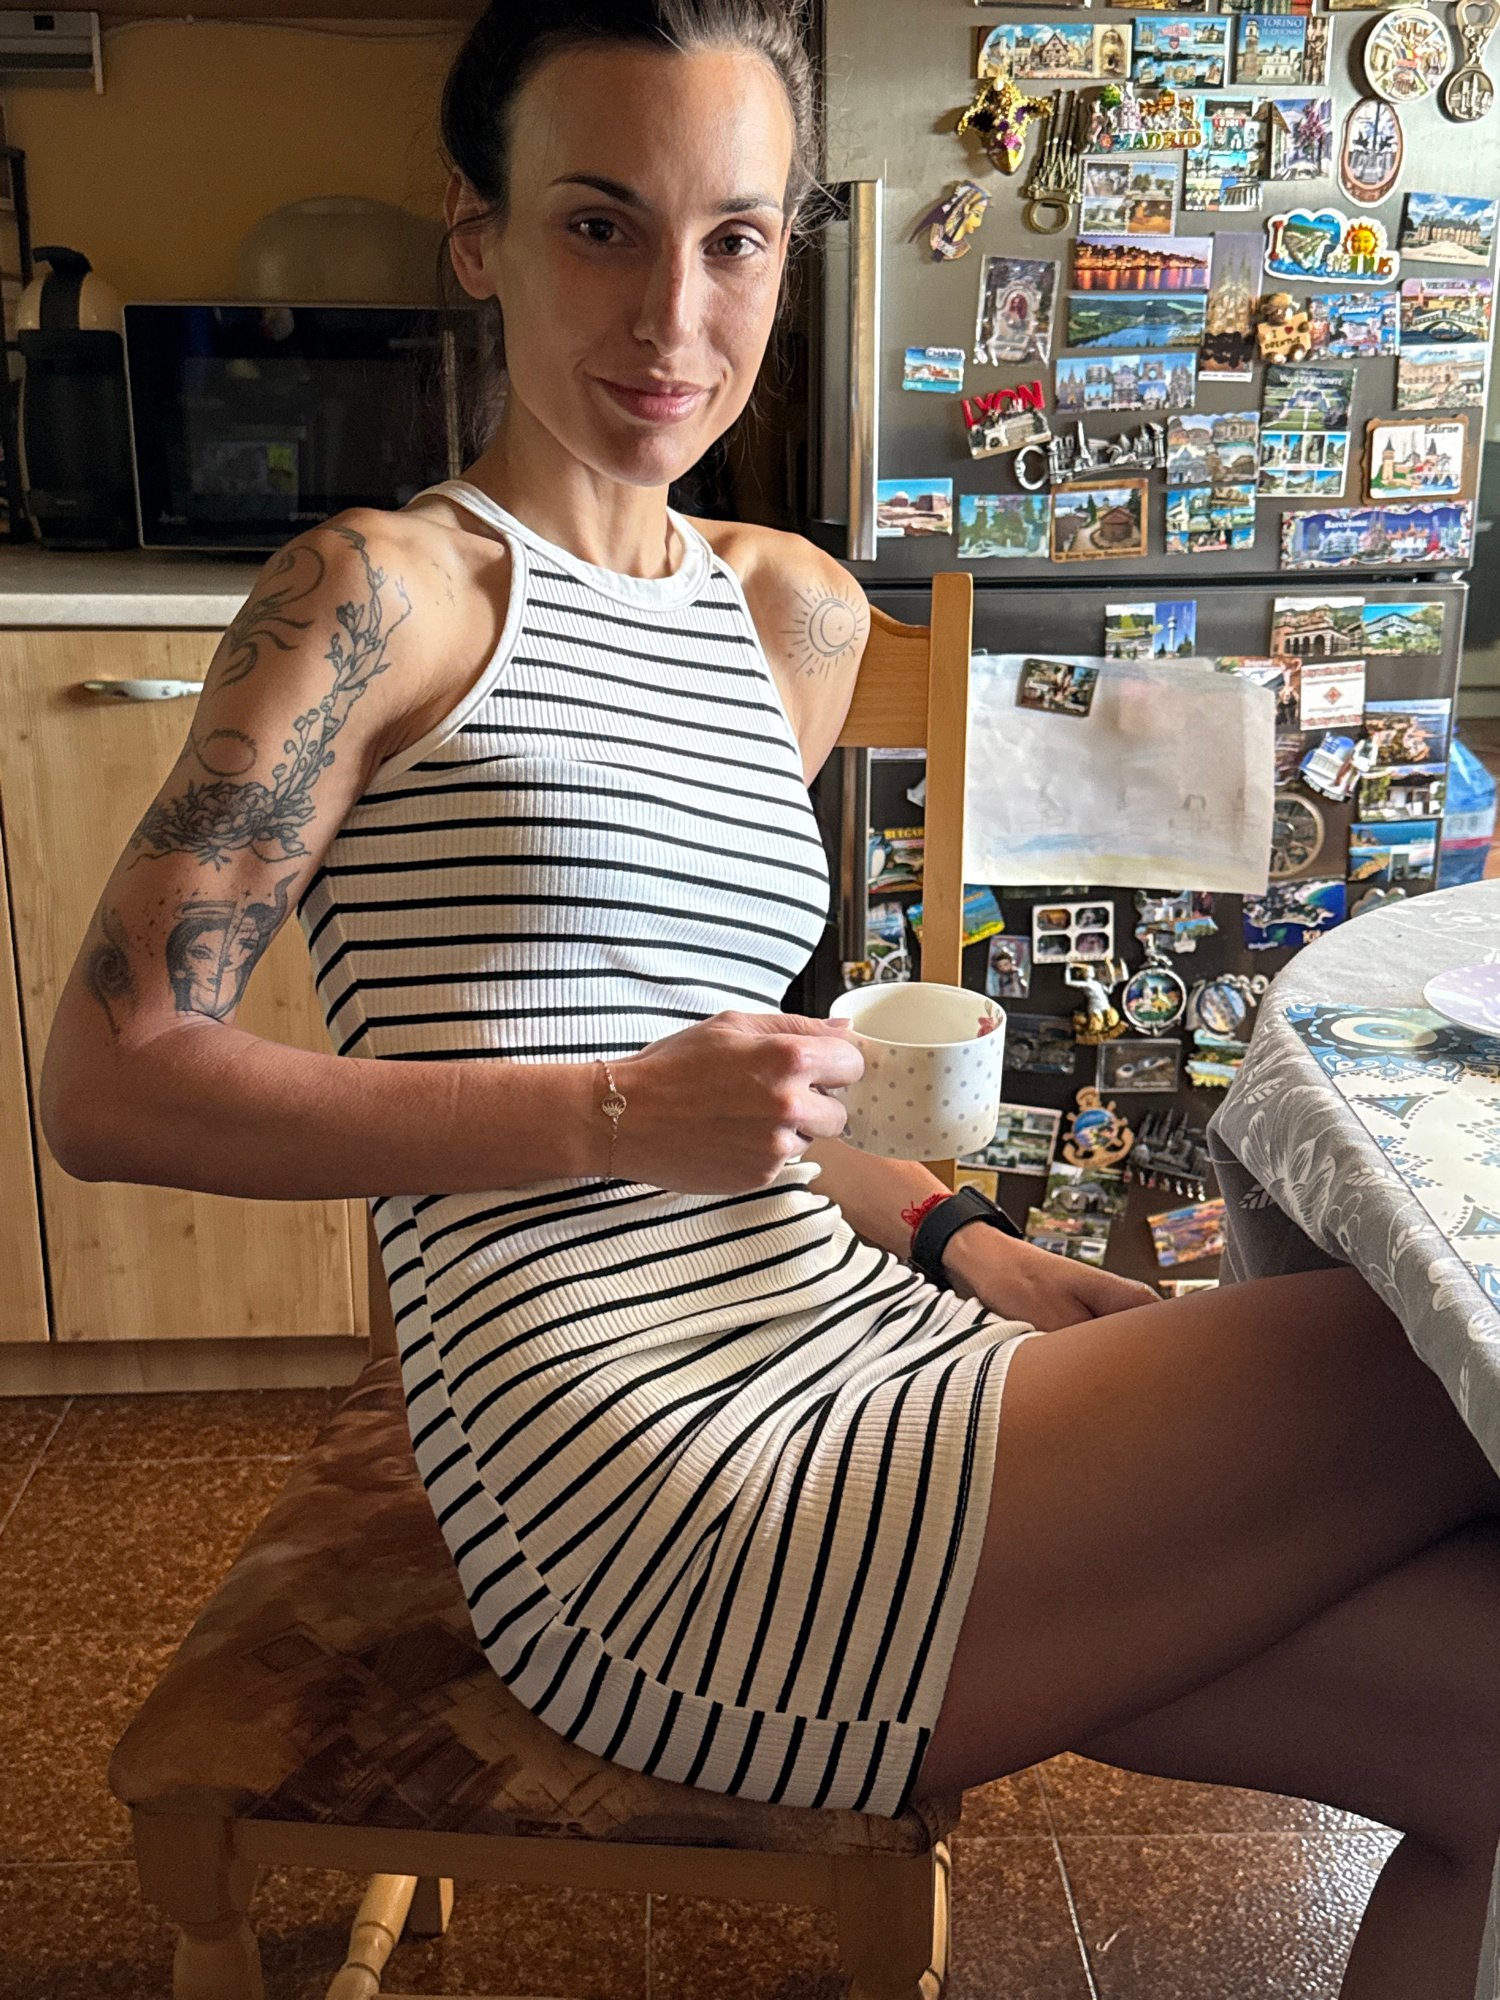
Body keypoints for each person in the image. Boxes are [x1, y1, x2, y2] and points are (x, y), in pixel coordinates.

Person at [41, 4, 1500, 1991]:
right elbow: (113, 1081)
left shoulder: (788, 613)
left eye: (732, 239)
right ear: (478, 239)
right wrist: (612, 1115)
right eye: (598, 225)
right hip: (631, 1493)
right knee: (1437, 1343)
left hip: (852, 1350)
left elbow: (743, 1095)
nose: (673, 315)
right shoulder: (381, 595)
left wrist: (965, 1241)